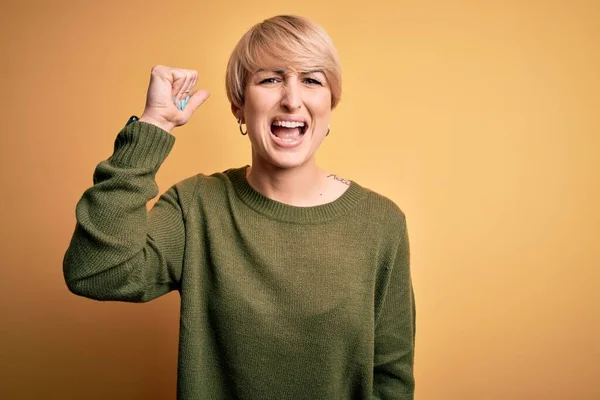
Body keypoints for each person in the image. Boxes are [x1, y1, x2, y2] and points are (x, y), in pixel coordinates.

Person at [63, 15, 415, 400]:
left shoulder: (381, 223)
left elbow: (391, 378)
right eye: (270, 79)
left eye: (312, 80)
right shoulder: (196, 206)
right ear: (239, 106)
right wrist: (152, 127)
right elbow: (95, 271)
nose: (292, 99)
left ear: (331, 103)